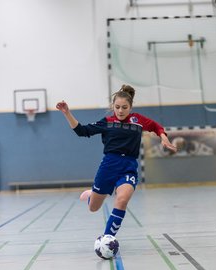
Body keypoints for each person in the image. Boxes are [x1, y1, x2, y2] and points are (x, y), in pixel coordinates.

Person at [56, 85, 177, 239]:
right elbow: (82, 131)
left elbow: (155, 126)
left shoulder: (137, 120)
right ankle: (92, 195)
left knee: (122, 199)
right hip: (109, 166)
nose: (120, 111)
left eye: (124, 107)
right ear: (113, 106)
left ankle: (107, 238)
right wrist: (67, 113)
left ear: (130, 107)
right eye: (117, 107)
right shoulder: (107, 121)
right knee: (93, 208)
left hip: (129, 166)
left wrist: (163, 137)